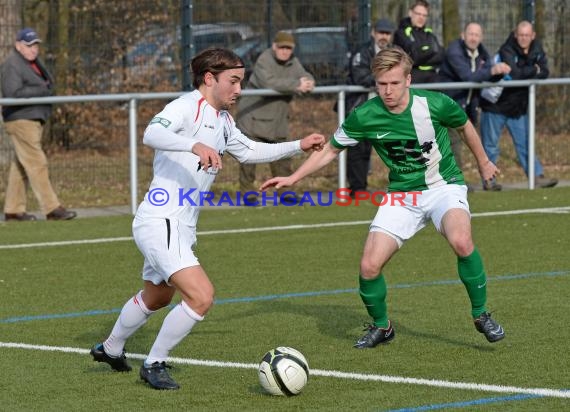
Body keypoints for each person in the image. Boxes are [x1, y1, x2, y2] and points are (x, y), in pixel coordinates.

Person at [89, 48, 324, 390]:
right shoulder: (186, 107)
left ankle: (111, 349)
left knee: (157, 298)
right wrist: (195, 146)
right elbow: (151, 134)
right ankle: (153, 363)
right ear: (210, 78)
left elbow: (250, 152)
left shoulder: (225, 121)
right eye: (233, 81)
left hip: (180, 225)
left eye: (240, 81)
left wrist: (298, 144)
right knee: (201, 296)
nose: (239, 89)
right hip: (161, 219)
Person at [261, 47, 505, 349]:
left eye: (394, 83)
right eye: (381, 84)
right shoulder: (366, 114)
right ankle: (382, 327)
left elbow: (465, 125)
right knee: (368, 267)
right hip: (401, 195)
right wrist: (293, 177)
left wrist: (483, 162)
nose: (387, 91)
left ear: (408, 79)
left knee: (462, 241)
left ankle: (481, 315)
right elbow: (331, 149)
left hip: (443, 187)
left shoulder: (434, 104)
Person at [1, 28, 76, 221]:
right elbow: (12, 94)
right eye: (29, 45)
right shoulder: (12, 64)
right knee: (37, 163)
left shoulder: (33, 63)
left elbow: (46, 85)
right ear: (18, 45)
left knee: (21, 165)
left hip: (32, 119)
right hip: (20, 120)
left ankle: (13, 210)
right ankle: (52, 208)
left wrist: (44, 89)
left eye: (35, 45)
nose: (33, 49)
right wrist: (41, 90)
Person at [236, 31, 315, 203]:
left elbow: (305, 75)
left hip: (278, 119)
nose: (285, 51)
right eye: (282, 47)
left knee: (283, 157)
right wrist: (296, 85)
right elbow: (269, 83)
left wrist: (309, 82)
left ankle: (285, 193)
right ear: (274, 46)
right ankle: (248, 194)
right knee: (249, 159)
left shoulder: (293, 62)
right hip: (253, 117)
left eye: (289, 48)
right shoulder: (264, 59)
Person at [480, 21, 557, 189]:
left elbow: (545, 72)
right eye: (521, 35)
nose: (523, 38)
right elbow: (514, 75)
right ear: (516, 35)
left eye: (527, 35)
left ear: (533, 35)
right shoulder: (506, 49)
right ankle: (489, 180)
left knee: (525, 143)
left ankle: (537, 176)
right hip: (495, 105)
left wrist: (531, 72)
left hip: (518, 107)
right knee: (490, 146)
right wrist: (533, 70)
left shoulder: (537, 48)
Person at [439, 22, 511, 189]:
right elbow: (468, 77)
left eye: (477, 35)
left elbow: (485, 75)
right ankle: (455, 184)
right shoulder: (454, 51)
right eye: (470, 34)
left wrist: (498, 73)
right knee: (453, 145)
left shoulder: (482, 52)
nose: (473, 38)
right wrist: (492, 71)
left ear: (481, 37)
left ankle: (488, 179)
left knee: (475, 145)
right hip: (450, 106)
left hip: (468, 107)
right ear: (463, 35)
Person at [345, 18, 395, 195]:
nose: (384, 36)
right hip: (361, 106)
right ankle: (358, 188)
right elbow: (360, 75)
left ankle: (402, 186)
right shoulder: (362, 52)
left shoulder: (395, 53)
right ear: (373, 32)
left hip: (386, 108)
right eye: (381, 32)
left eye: (387, 33)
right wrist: (385, 79)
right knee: (358, 148)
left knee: (392, 147)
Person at [392, 0, 444, 84]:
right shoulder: (401, 33)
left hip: (433, 79)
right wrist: (431, 51)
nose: (421, 17)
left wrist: (422, 52)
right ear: (410, 13)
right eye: (418, 14)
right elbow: (413, 57)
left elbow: (440, 56)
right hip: (412, 80)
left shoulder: (429, 34)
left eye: (424, 15)